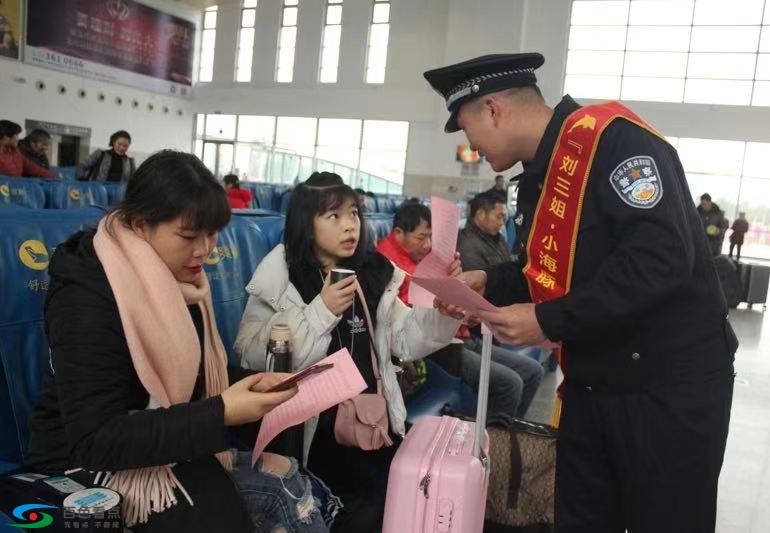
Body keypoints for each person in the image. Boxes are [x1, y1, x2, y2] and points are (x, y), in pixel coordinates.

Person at [424, 53, 736, 533]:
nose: (473, 147)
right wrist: (493, 282)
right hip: (594, 382)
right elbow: (553, 271)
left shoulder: (615, 142)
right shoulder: (535, 177)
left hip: (667, 388)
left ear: (492, 109)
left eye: (468, 131)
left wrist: (548, 321)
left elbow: (660, 259)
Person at [25, 151, 331, 533]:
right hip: (83, 463)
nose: (205, 250)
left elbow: (195, 375)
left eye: (212, 234)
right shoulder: (87, 295)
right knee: (275, 498)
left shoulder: (177, 283)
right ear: (141, 225)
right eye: (189, 236)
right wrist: (221, 410)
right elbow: (95, 438)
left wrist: (256, 385)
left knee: (296, 482)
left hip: (156, 441)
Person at [234, 172, 462, 533]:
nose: (349, 225)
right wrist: (320, 310)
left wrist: (443, 315)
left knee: (407, 486)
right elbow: (252, 356)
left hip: (369, 421)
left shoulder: (370, 274)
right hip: (312, 433)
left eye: (354, 213)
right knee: (367, 501)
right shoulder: (282, 276)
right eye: (333, 216)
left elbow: (404, 338)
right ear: (307, 226)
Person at [378, 198, 543, 419]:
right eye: (421, 237)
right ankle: (487, 445)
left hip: (459, 333)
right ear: (398, 233)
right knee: (510, 384)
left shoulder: (424, 256)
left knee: (532, 371)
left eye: (430, 237)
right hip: (439, 348)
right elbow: (412, 319)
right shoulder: (384, 266)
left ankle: (509, 436)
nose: (428, 245)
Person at [459, 190, 512, 271]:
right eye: (498, 217)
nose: (501, 223)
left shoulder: (498, 238)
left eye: (503, 218)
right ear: (481, 214)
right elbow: (480, 281)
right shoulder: (468, 245)